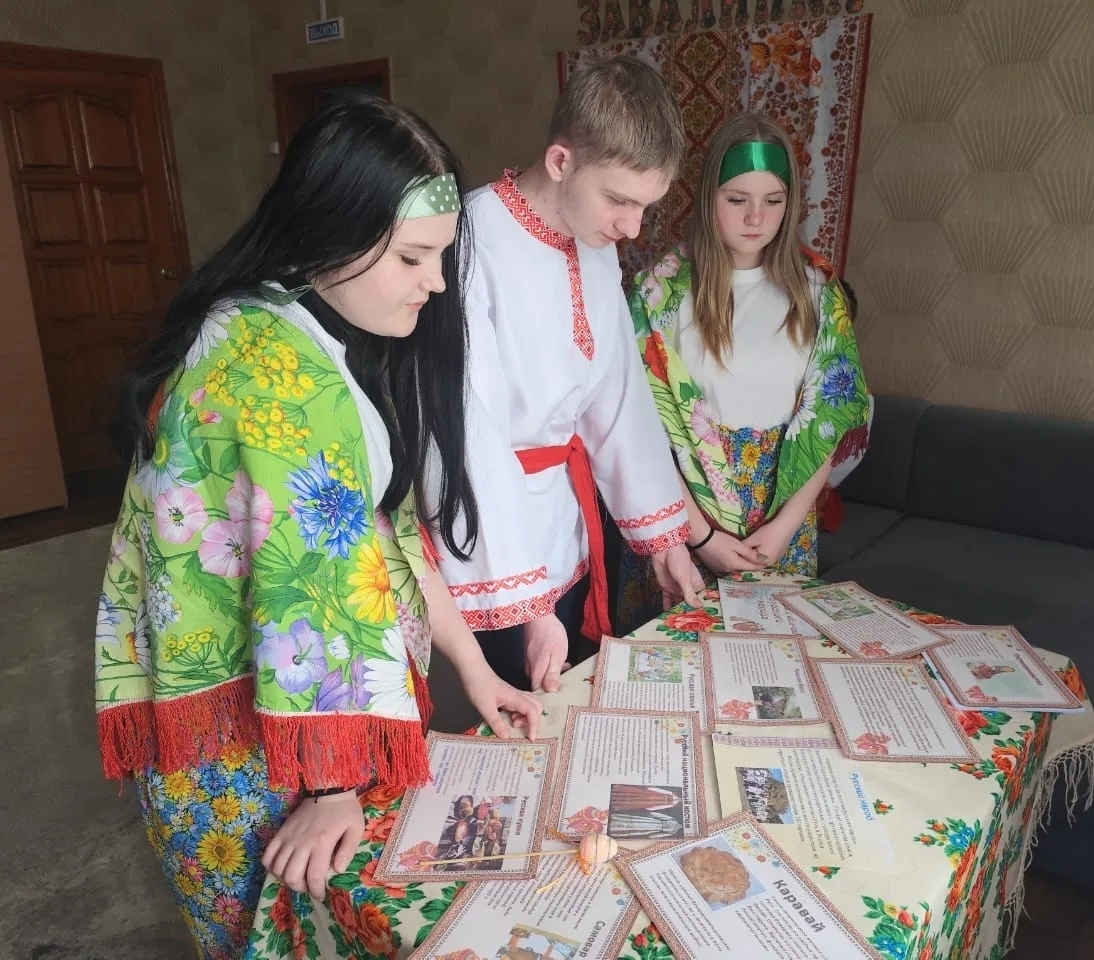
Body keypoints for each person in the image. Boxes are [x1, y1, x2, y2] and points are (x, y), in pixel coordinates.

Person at [93, 95, 541, 959]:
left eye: (441, 256)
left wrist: (475, 668)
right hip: (261, 759)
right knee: (286, 939)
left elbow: (384, 536)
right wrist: (334, 788)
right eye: (413, 257)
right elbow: (310, 590)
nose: (435, 282)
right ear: (332, 230)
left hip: (269, 737)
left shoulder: (268, 323)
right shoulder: (283, 377)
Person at [432, 56, 703, 694]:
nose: (633, 227)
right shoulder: (471, 238)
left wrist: (664, 540)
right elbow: (467, 431)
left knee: (572, 703)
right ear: (561, 161)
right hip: (490, 540)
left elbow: (619, 400)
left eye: (646, 206)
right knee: (516, 714)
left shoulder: (595, 244)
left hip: (567, 524)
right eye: (620, 200)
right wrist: (529, 610)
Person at [620, 111, 872, 631]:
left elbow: (828, 426)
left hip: (779, 528)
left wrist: (784, 528)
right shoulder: (659, 293)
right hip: (681, 523)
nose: (756, 218)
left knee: (771, 665)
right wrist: (702, 537)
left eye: (773, 201)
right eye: (737, 200)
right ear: (708, 196)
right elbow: (637, 432)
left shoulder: (818, 294)